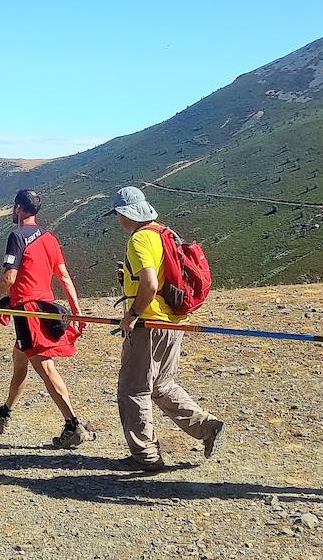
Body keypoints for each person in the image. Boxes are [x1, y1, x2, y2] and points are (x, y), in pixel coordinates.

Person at [0, 189, 95, 448]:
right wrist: (77, 311)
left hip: (27, 312)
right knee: (20, 359)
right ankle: (4, 413)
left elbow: (8, 279)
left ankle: (73, 425)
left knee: (44, 367)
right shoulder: (49, 237)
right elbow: (65, 277)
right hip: (45, 308)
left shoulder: (16, 236)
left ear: (18, 208)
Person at [110, 186, 224, 471]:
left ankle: (145, 456)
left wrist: (133, 314)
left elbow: (150, 283)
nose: (117, 219)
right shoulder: (165, 233)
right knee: (162, 386)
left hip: (149, 324)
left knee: (133, 389)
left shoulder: (138, 241)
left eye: (117, 214)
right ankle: (207, 427)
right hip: (173, 322)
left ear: (125, 213)